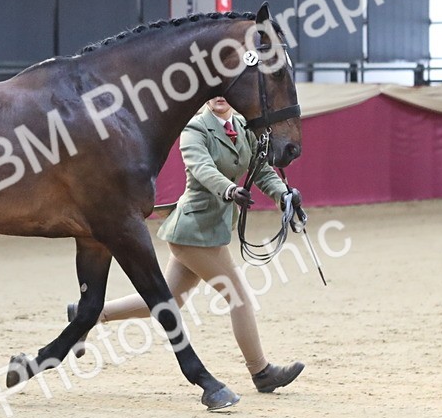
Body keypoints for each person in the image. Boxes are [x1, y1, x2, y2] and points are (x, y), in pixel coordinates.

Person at [70, 96, 305, 393]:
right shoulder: (194, 129)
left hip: (209, 231)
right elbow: (203, 169)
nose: (220, 99)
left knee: (170, 299)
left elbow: (261, 170)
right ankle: (261, 372)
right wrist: (230, 190)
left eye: (225, 94)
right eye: (214, 94)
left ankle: (90, 315)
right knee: (239, 297)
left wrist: (283, 195)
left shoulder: (244, 126)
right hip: (194, 233)